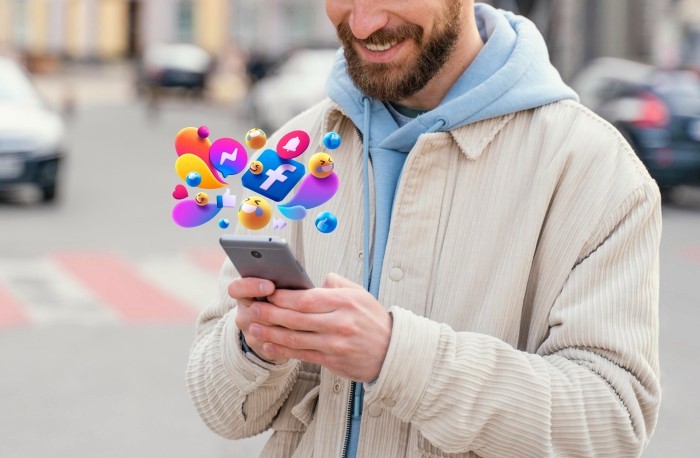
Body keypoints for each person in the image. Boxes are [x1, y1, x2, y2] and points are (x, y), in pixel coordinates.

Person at [186, 1, 661, 457]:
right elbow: (222, 411)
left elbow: (613, 424)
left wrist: (399, 358)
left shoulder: (597, 170)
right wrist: (253, 347)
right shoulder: (292, 150)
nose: (364, 22)